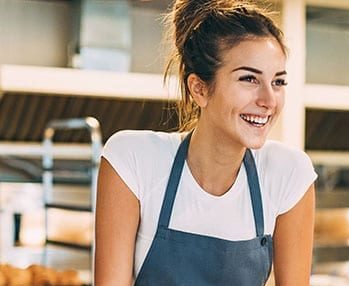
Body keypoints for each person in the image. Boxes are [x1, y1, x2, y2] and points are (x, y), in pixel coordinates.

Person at [94, 0, 317, 285]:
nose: (269, 100)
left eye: (278, 82)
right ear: (199, 89)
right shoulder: (133, 160)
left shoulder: (288, 174)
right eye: (249, 79)